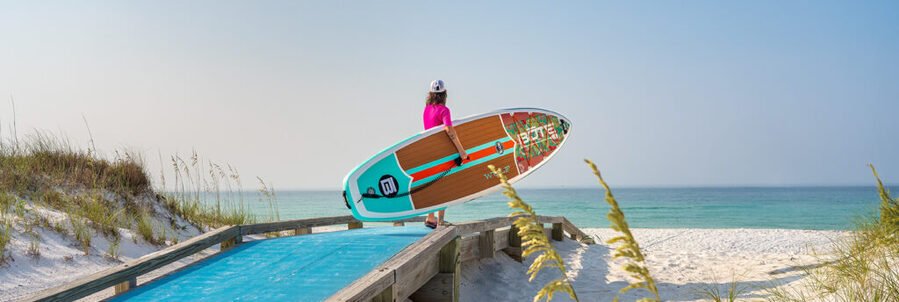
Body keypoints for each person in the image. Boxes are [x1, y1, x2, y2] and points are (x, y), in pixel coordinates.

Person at [422, 79, 468, 229]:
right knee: (444, 184)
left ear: (430, 94)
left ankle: (430, 217)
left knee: (434, 184)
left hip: (429, 151)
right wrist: (461, 150)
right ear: (444, 94)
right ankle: (440, 221)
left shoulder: (426, 109)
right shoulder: (444, 110)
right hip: (441, 152)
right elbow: (449, 129)